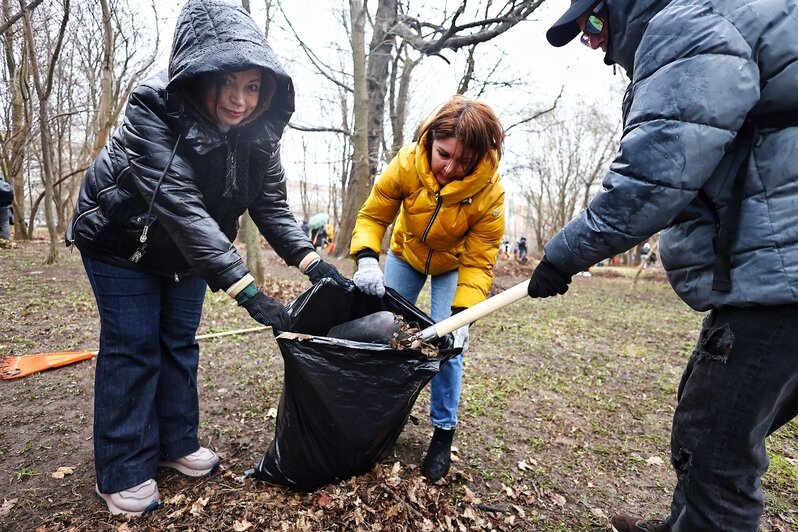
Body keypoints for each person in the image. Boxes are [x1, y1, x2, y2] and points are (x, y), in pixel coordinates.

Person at [65, 0, 350, 517]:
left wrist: (314, 265)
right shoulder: (151, 108)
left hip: (189, 253)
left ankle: (175, 443)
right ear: (199, 75)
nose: (239, 101)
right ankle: (124, 467)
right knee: (133, 346)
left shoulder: (259, 132)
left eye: (252, 86)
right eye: (227, 83)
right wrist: (250, 293)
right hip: (121, 241)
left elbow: (270, 206)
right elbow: (183, 210)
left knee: (178, 342)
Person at [537, 1, 798, 531]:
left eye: (594, 23)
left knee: (716, 450)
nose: (592, 41)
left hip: (780, 275)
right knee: (710, 423)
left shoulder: (690, 24)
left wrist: (561, 256)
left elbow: (651, 178)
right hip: (773, 272)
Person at [350, 95, 505, 482]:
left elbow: (479, 260)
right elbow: (374, 213)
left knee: (449, 346)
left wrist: (463, 316)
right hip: (406, 253)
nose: (450, 169)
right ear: (430, 140)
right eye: (443, 155)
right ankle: (379, 415)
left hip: (453, 265)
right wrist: (367, 257)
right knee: (385, 331)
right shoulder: (407, 162)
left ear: (479, 157)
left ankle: (443, 431)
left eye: (463, 162)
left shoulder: (490, 193)